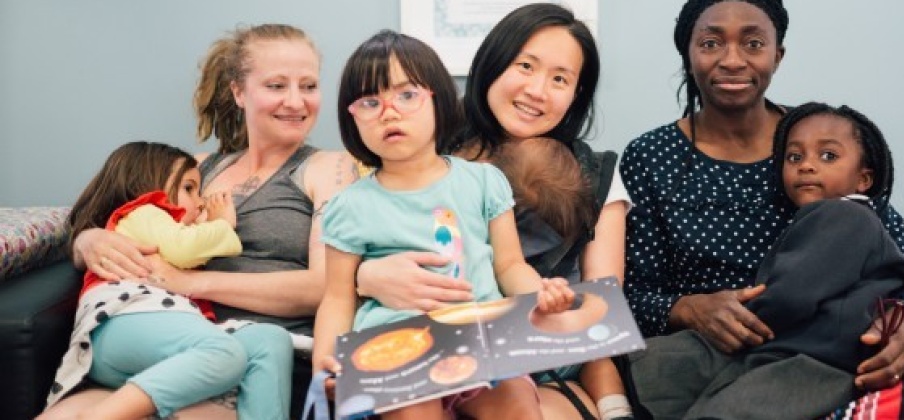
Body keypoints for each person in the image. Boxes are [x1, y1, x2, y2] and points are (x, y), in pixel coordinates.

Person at [621, 0, 904, 417]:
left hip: (825, 351)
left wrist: (900, 322)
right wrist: (689, 309)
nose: (733, 60)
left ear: (777, 55)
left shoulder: (816, 138)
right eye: (711, 43)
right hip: (708, 350)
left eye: (753, 43)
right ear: (688, 54)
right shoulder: (650, 157)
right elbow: (633, 294)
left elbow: (886, 243)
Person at [43, 23, 357, 419]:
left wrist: (189, 282)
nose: (296, 101)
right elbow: (118, 213)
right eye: (277, 85)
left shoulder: (329, 168)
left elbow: (326, 286)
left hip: (261, 363)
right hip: (162, 346)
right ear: (238, 92)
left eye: (309, 86)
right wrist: (88, 241)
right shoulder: (197, 169)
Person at [355, 4, 635, 420]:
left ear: (577, 94)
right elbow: (352, 245)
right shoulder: (418, 151)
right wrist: (367, 276)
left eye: (560, 79)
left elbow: (601, 307)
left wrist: (550, 303)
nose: (537, 90)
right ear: (493, 62)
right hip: (430, 344)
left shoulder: (593, 174)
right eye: (525, 66)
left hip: (543, 358)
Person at [312, 29, 575, 420]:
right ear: (352, 118)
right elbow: (337, 298)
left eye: (407, 95)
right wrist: (325, 364)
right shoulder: (348, 206)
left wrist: (543, 293)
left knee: (519, 405)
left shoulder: (483, 182)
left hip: (483, 341)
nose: (389, 112)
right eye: (370, 102)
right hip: (399, 351)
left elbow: (509, 266)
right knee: (413, 410)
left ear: (440, 101)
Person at [635, 102, 904, 419]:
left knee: (726, 408)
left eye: (828, 156)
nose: (807, 166)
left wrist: (744, 317)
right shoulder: (831, 216)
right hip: (790, 347)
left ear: (864, 179)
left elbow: (795, 293)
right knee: (665, 365)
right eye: (794, 157)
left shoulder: (843, 215)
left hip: (815, 360)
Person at [43, 141, 292, 420]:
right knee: (223, 352)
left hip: (161, 340)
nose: (200, 201)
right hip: (123, 322)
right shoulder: (144, 212)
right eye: (189, 189)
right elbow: (183, 249)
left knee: (270, 339)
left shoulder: (162, 226)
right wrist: (222, 224)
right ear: (147, 184)